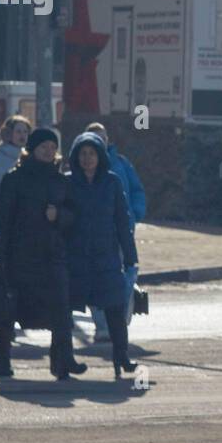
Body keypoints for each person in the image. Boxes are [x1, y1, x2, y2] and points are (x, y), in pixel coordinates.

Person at [0, 128, 85, 380]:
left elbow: (74, 216)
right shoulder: (14, 179)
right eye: (43, 146)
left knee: (61, 308)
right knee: (9, 309)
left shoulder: (61, 181)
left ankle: (63, 360)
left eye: (52, 147)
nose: (48, 151)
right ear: (31, 150)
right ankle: (2, 359)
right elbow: (1, 221)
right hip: (20, 256)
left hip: (52, 255)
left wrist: (59, 217)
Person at [64, 132, 139, 379]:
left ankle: (122, 357)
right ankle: (64, 359)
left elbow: (122, 220)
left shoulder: (112, 182)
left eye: (92, 154)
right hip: (75, 258)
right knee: (64, 311)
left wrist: (129, 255)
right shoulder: (67, 183)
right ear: (76, 157)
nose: (87, 159)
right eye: (83, 154)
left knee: (115, 309)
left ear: (100, 157)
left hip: (105, 256)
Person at [82, 122, 145, 342]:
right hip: (93, 234)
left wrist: (136, 212)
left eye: (103, 137)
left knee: (124, 276)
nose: (99, 141)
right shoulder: (82, 166)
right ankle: (101, 325)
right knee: (95, 278)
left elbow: (136, 189)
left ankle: (118, 322)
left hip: (122, 230)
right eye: (94, 137)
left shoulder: (121, 163)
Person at [0, 115, 31, 218]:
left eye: (25, 131)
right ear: (8, 134)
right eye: (18, 131)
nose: (22, 135)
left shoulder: (30, 160)